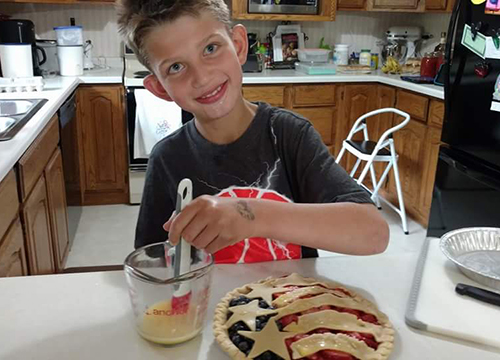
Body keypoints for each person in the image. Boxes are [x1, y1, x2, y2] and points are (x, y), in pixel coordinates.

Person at [116, 0, 389, 264]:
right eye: (176, 67)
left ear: (238, 45)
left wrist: (251, 215)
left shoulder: (288, 135)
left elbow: (374, 233)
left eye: (211, 48)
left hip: (293, 306)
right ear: (160, 88)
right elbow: (152, 263)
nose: (201, 78)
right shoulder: (167, 158)